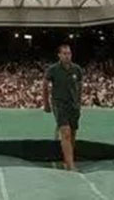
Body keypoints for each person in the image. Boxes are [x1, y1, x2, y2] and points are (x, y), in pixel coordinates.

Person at [42, 43, 83, 171]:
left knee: (72, 133)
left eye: (69, 53)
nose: (67, 56)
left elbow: (80, 86)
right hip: (59, 104)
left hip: (73, 105)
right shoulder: (53, 69)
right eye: (64, 53)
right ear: (59, 55)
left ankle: (67, 160)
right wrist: (46, 104)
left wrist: (79, 102)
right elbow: (45, 85)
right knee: (65, 132)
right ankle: (71, 165)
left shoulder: (77, 69)